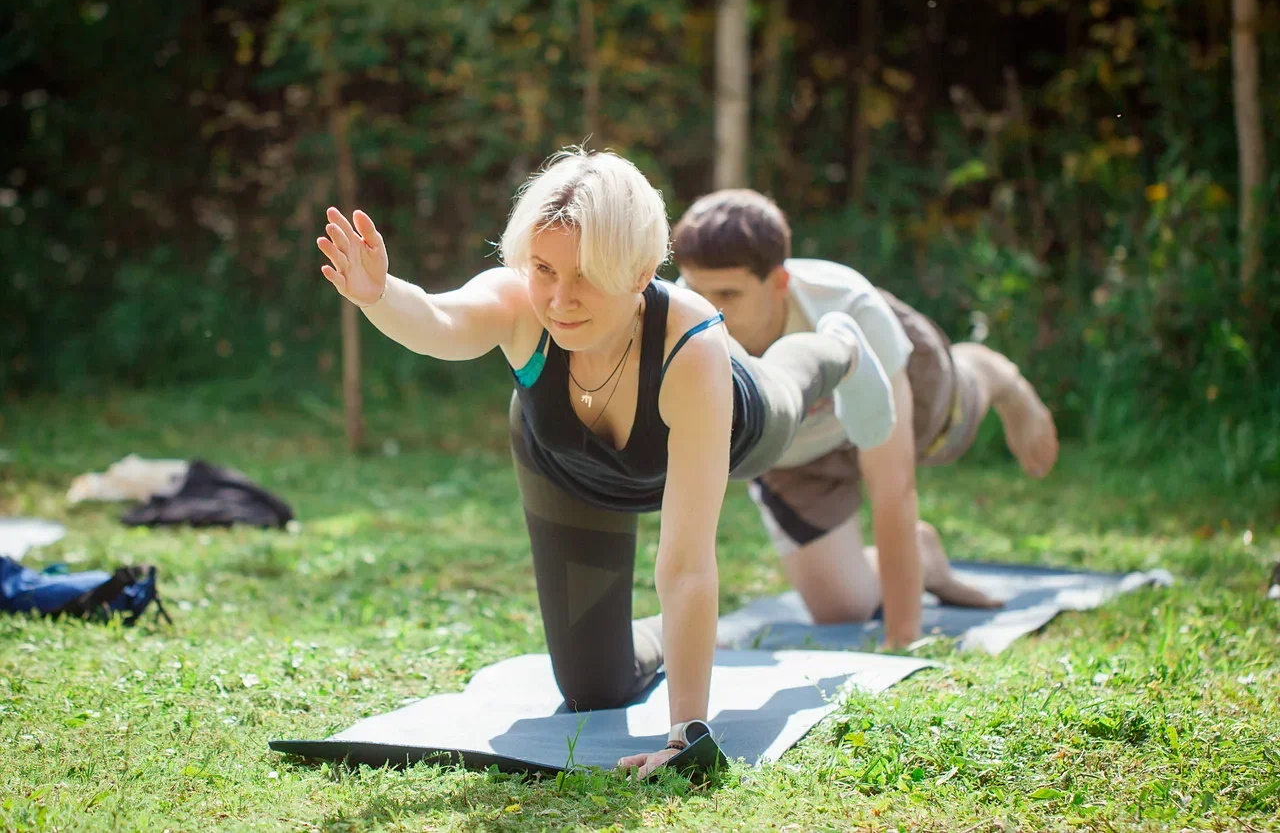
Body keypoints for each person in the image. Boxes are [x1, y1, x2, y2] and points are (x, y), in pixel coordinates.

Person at [315, 148, 886, 778]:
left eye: (586, 274)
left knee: (789, 387)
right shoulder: (519, 304)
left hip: (737, 426)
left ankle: (839, 346)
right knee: (594, 687)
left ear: (640, 272)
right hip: (570, 467)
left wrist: (684, 737)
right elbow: (439, 320)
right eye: (544, 269)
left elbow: (687, 563)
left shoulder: (691, 342)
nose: (560, 298)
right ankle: (670, 634)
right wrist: (379, 295)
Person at [672, 189, 1060, 647]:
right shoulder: (682, 322)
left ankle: (988, 371)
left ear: (779, 282)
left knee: (949, 434)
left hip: (890, 379)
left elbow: (893, 488)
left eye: (728, 294)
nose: (710, 311)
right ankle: (923, 557)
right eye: (696, 290)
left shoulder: (849, 306)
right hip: (797, 447)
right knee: (842, 608)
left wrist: (902, 638)